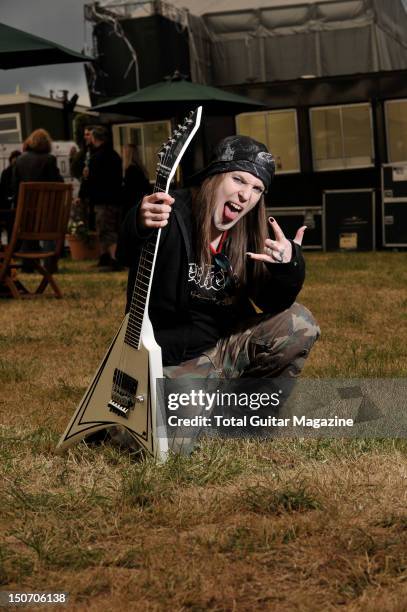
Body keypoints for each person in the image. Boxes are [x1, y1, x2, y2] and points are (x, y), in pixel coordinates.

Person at [117, 135, 320, 405]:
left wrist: (288, 267)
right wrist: (139, 222)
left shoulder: (247, 232)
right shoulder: (170, 215)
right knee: (174, 437)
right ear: (215, 175)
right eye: (238, 179)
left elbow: (272, 302)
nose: (246, 195)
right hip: (177, 359)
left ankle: (245, 418)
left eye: (257, 188)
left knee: (299, 323)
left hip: (227, 349)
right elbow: (127, 253)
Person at [12, 129, 63, 272]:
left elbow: (14, 185)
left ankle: (28, 266)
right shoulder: (49, 159)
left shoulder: (20, 160)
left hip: (26, 209)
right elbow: (58, 182)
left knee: (28, 233)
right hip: (46, 208)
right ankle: (50, 265)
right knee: (49, 234)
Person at [79, 126, 123, 270]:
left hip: (103, 200)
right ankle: (105, 259)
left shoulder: (96, 157)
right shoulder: (115, 155)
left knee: (106, 230)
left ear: (94, 138)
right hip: (116, 198)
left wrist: (86, 177)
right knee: (111, 228)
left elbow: (94, 180)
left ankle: (115, 260)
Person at [122, 144, 151, 220]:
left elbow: (129, 191)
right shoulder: (140, 169)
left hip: (134, 205)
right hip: (141, 202)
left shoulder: (131, 170)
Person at [0, 150, 21, 245]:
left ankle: (12, 245)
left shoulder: (7, 172)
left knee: (11, 221)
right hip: (10, 205)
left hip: (11, 207)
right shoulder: (6, 173)